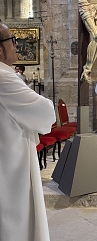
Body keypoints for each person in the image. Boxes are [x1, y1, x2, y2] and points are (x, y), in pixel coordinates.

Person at [0, 21, 56, 241]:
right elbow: (45, 113)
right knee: (16, 220)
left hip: (8, 156)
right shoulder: (3, 77)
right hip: (11, 164)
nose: (16, 45)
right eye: (12, 40)